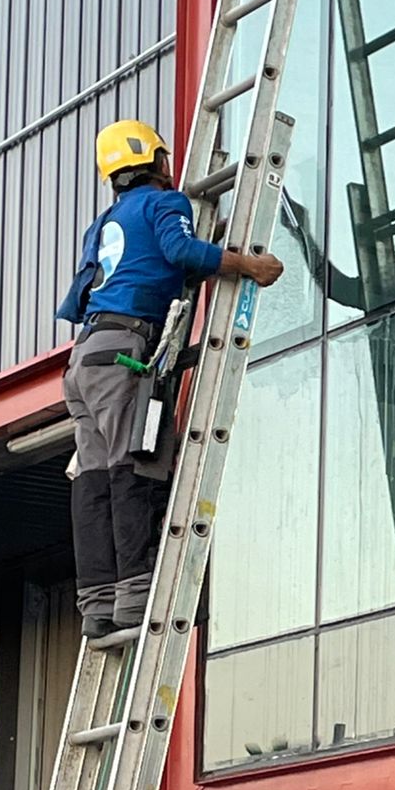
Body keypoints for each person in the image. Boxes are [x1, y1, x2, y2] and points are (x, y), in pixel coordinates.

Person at [56, 120, 283, 639]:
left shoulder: (105, 221)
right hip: (123, 351)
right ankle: (137, 594)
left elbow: (148, 265)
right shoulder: (165, 203)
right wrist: (247, 265)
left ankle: (97, 603)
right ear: (157, 161)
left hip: (84, 360)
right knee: (132, 468)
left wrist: (206, 253)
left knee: (92, 481)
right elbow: (180, 252)